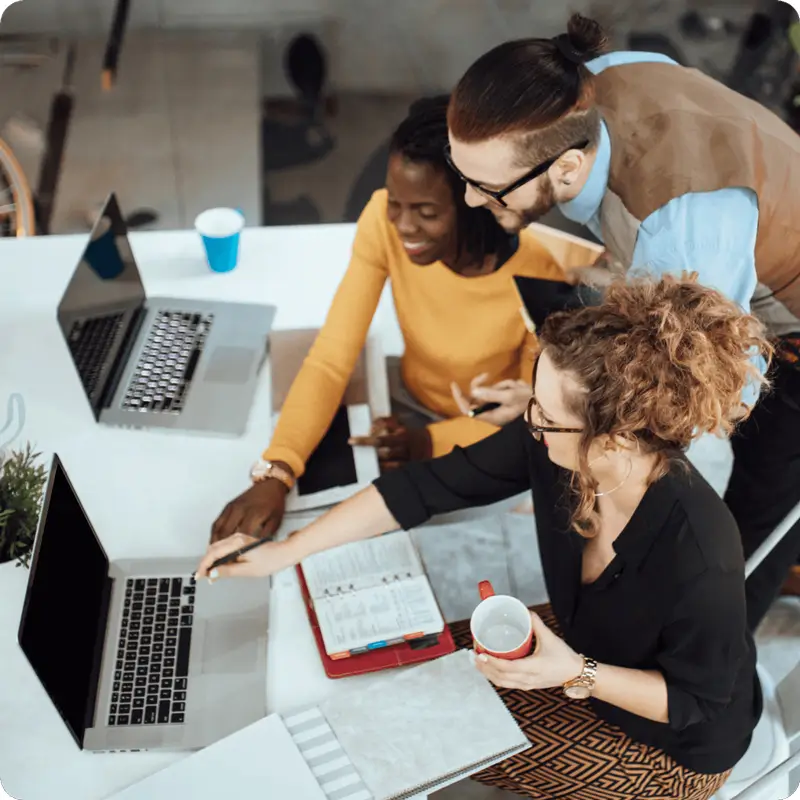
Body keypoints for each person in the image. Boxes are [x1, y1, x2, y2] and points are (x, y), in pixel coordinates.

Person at [197, 276, 769, 800]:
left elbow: (696, 703)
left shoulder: (701, 552)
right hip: (580, 650)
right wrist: (286, 552)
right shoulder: (560, 449)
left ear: (615, 440)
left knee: (413, 736)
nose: (530, 422)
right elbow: (428, 487)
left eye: (544, 414)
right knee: (398, 677)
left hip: (670, 747)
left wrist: (572, 672)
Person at [443, 13, 800, 629]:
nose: (473, 200)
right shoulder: (581, 88)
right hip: (712, 267)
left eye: (489, 188)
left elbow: (709, 398)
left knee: (735, 556)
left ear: (566, 169)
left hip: (781, 337)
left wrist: (578, 426)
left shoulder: (684, 232)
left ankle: (716, 677)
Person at [210, 95, 564, 543]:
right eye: (396, 202)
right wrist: (275, 472)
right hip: (403, 403)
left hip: (481, 439)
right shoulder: (382, 220)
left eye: (427, 212)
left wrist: (426, 444)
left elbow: (530, 415)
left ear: (476, 203)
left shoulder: (539, 277)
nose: (401, 225)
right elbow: (331, 359)